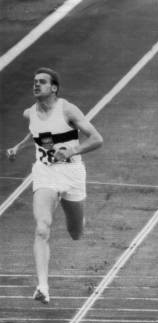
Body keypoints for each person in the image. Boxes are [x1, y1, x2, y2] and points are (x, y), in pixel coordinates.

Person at [5, 67, 103, 304]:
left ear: (54, 88)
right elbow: (35, 133)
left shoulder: (67, 109)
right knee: (42, 227)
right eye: (34, 81)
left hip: (72, 173)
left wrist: (72, 149)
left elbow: (97, 139)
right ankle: (43, 286)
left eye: (42, 82)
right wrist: (18, 147)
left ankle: (77, 220)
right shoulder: (30, 112)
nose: (36, 85)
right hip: (45, 173)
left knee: (76, 232)